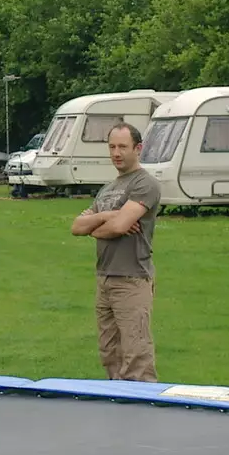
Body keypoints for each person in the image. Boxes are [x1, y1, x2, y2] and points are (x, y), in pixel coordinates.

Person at [70, 122, 163, 382]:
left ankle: (144, 412)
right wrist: (109, 215)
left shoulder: (145, 184)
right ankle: (118, 410)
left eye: (123, 146)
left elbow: (122, 226)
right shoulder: (108, 189)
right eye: (112, 147)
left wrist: (98, 225)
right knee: (110, 353)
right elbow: (77, 227)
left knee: (136, 355)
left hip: (132, 278)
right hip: (105, 279)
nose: (116, 153)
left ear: (138, 148)